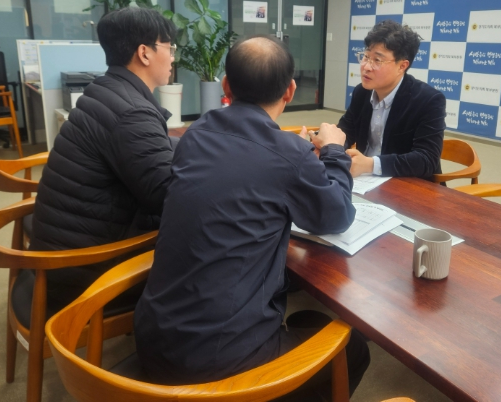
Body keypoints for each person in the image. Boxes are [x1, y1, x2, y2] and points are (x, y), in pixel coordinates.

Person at [135, 35, 370, 400]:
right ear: (290, 91)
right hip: (220, 367)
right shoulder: (289, 154)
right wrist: (334, 152)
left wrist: (298, 155)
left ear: (226, 86)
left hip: (155, 338)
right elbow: (337, 215)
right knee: (353, 349)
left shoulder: (195, 134)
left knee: (306, 319)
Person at [31, 6, 177, 311]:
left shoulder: (105, 89)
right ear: (144, 53)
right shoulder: (133, 112)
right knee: (208, 242)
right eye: (169, 47)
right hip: (87, 275)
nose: (173, 57)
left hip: (59, 256)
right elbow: (169, 198)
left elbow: (144, 150)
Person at [335, 20, 446, 179]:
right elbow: (346, 131)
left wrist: (370, 165)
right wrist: (330, 144)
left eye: (377, 60)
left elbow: (426, 159)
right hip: (364, 181)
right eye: (366, 57)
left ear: (402, 66)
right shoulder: (362, 92)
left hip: (408, 183)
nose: (366, 66)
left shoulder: (428, 100)